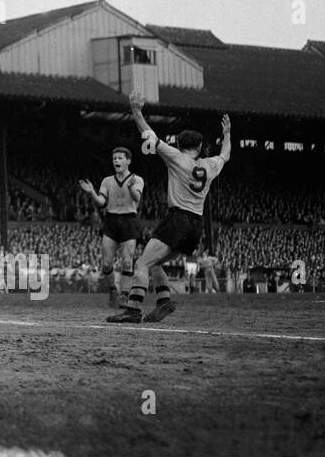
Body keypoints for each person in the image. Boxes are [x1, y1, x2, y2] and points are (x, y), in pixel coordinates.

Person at [109, 90, 230, 324]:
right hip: (196, 226)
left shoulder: (175, 156)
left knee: (142, 263)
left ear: (179, 143)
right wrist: (227, 134)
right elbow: (225, 155)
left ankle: (132, 310)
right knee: (155, 264)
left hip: (178, 219)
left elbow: (148, 135)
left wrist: (136, 111)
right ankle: (164, 302)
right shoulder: (210, 165)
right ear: (201, 146)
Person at [78, 146, 144, 308]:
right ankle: (113, 290)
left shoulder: (137, 180)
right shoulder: (107, 181)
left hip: (129, 220)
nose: (116, 161)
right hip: (111, 220)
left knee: (127, 262)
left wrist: (130, 186)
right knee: (106, 264)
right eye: (114, 158)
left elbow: (137, 198)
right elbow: (101, 202)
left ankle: (124, 295)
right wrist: (92, 192)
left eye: (120, 158)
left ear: (128, 161)